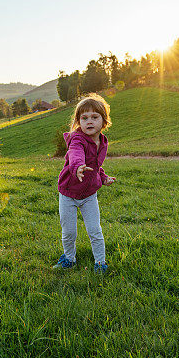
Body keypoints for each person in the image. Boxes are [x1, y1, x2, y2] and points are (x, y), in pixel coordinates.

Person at [54, 93, 116, 273]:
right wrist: (78, 166)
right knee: (69, 232)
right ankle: (69, 259)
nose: (89, 121)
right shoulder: (77, 139)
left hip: (89, 195)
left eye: (95, 117)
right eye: (84, 118)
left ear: (104, 121)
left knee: (95, 230)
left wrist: (103, 178)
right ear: (78, 122)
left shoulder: (103, 142)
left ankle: (100, 263)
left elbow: (96, 165)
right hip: (68, 194)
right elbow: (76, 154)